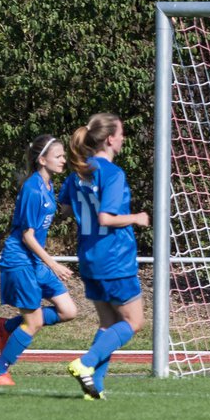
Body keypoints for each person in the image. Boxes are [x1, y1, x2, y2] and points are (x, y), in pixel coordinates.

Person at [58, 113, 149, 399]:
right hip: (114, 257)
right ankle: (84, 362)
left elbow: (64, 209)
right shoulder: (113, 173)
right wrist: (137, 217)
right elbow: (107, 218)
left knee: (108, 324)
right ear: (110, 139)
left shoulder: (78, 173)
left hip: (88, 255)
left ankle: (93, 387)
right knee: (134, 322)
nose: (123, 138)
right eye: (121, 133)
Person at [0, 135, 80, 386]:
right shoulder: (32, 188)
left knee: (68, 311)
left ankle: (7, 327)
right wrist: (54, 263)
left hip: (35, 262)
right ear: (42, 159)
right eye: (58, 156)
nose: (63, 160)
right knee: (35, 321)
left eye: (63, 156)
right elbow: (27, 236)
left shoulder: (49, 187)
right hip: (20, 261)